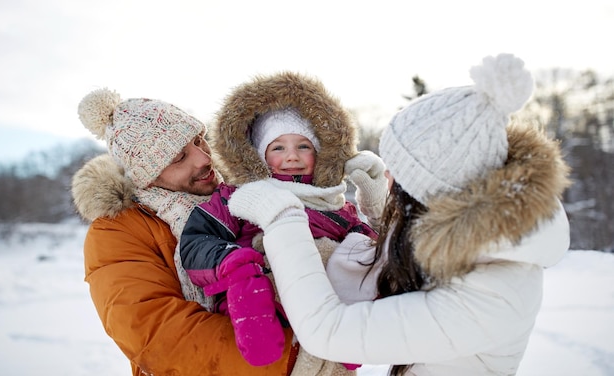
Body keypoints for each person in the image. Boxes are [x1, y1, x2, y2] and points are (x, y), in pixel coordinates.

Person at [226, 54, 572, 375]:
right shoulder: (480, 243)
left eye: (399, 174)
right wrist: (377, 206)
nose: (388, 176)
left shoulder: (493, 297)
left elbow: (327, 330)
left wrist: (283, 218)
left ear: (427, 190)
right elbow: (391, 259)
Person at [137, 71, 387, 375]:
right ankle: (253, 318)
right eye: (278, 148)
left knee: (353, 254)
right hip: (263, 280)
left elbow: (375, 248)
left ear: (320, 152)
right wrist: (232, 262)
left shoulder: (333, 201)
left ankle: (350, 332)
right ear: (259, 155)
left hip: (325, 296)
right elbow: (197, 240)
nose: (292, 156)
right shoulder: (239, 196)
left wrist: (374, 200)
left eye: (303, 146)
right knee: (254, 270)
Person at [70, 88, 300, 375]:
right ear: (146, 177)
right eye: (179, 157)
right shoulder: (117, 231)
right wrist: (297, 355)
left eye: (198, 140)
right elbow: (160, 336)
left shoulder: (242, 195)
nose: (204, 158)